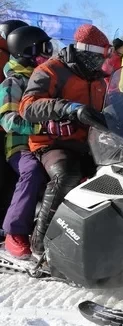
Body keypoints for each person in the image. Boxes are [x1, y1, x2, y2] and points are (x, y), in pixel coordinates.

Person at [19, 24, 110, 255]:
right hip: (52, 142)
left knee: (120, 174)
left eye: (104, 57)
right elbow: (27, 107)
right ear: (83, 51)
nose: (100, 62)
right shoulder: (52, 70)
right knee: (66, 175)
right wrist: (68, 108)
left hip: (90, 143)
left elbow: (109, 106)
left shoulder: (100, 79)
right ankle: (41, 244)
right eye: (97, 57)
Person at [0, 26, 52, 259]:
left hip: (45, 142)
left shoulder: (44, 77)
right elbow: (7, 120)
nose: (48, 54)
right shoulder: (13, 82)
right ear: (26, 51)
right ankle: (14, 231)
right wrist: (40, 126)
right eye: (44, 49)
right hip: (20, 146)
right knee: (32, 170)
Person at [0, 19, 29, 238]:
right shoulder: (13, 66)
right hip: (10, 124)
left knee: (9, 178)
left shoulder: (21, 63)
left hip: (12, 128)